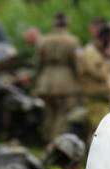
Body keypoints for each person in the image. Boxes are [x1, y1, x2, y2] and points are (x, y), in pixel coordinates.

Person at [33, 12, 80, 144]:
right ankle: (56, 140)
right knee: (63, 113)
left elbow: (38, 63)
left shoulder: (43, 40)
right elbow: (75, 64)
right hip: (65, 81)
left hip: (46, 81)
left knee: (49, 112)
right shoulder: (72, 41)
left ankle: (46, 138)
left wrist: (36, 82)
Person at [78, 25, 110, 141]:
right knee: (98, 130)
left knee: (102, 129)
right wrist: (108, 58)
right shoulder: (91, 52)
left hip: (102, 98)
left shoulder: (97, 52)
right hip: (96, 98)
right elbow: (100, 74)